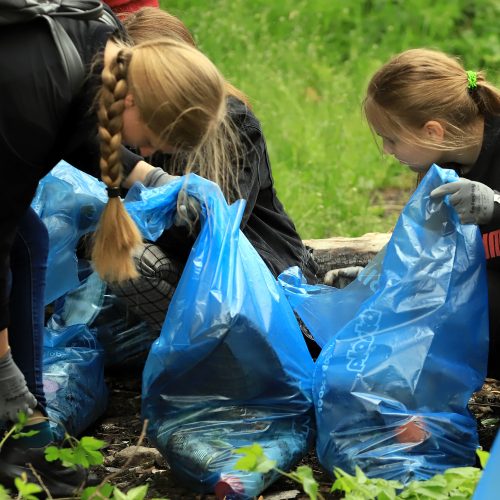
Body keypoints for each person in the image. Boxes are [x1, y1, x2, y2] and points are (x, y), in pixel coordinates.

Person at [0, 6, 160, 494]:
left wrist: (152, 180)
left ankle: (24, 436)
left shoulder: (105, 41)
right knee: (19, 245)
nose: (149, 152)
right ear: (133, 100)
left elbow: (86, 129)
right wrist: (3, 375)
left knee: (28, 244)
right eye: (151, 143)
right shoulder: (29, 101)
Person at [100, 7, 320, 354]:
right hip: (190, 271)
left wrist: (125, 216)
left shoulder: (229, 125)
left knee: (133, 256)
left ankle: (217, 357)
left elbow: (208, 234)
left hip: (247, 273)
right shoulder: (127, 115)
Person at [363, 47, 500, 379]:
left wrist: (494, 206)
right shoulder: (446, 165)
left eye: (391, 140)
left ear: (432, 131)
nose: (387, 151)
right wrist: (376, 277)